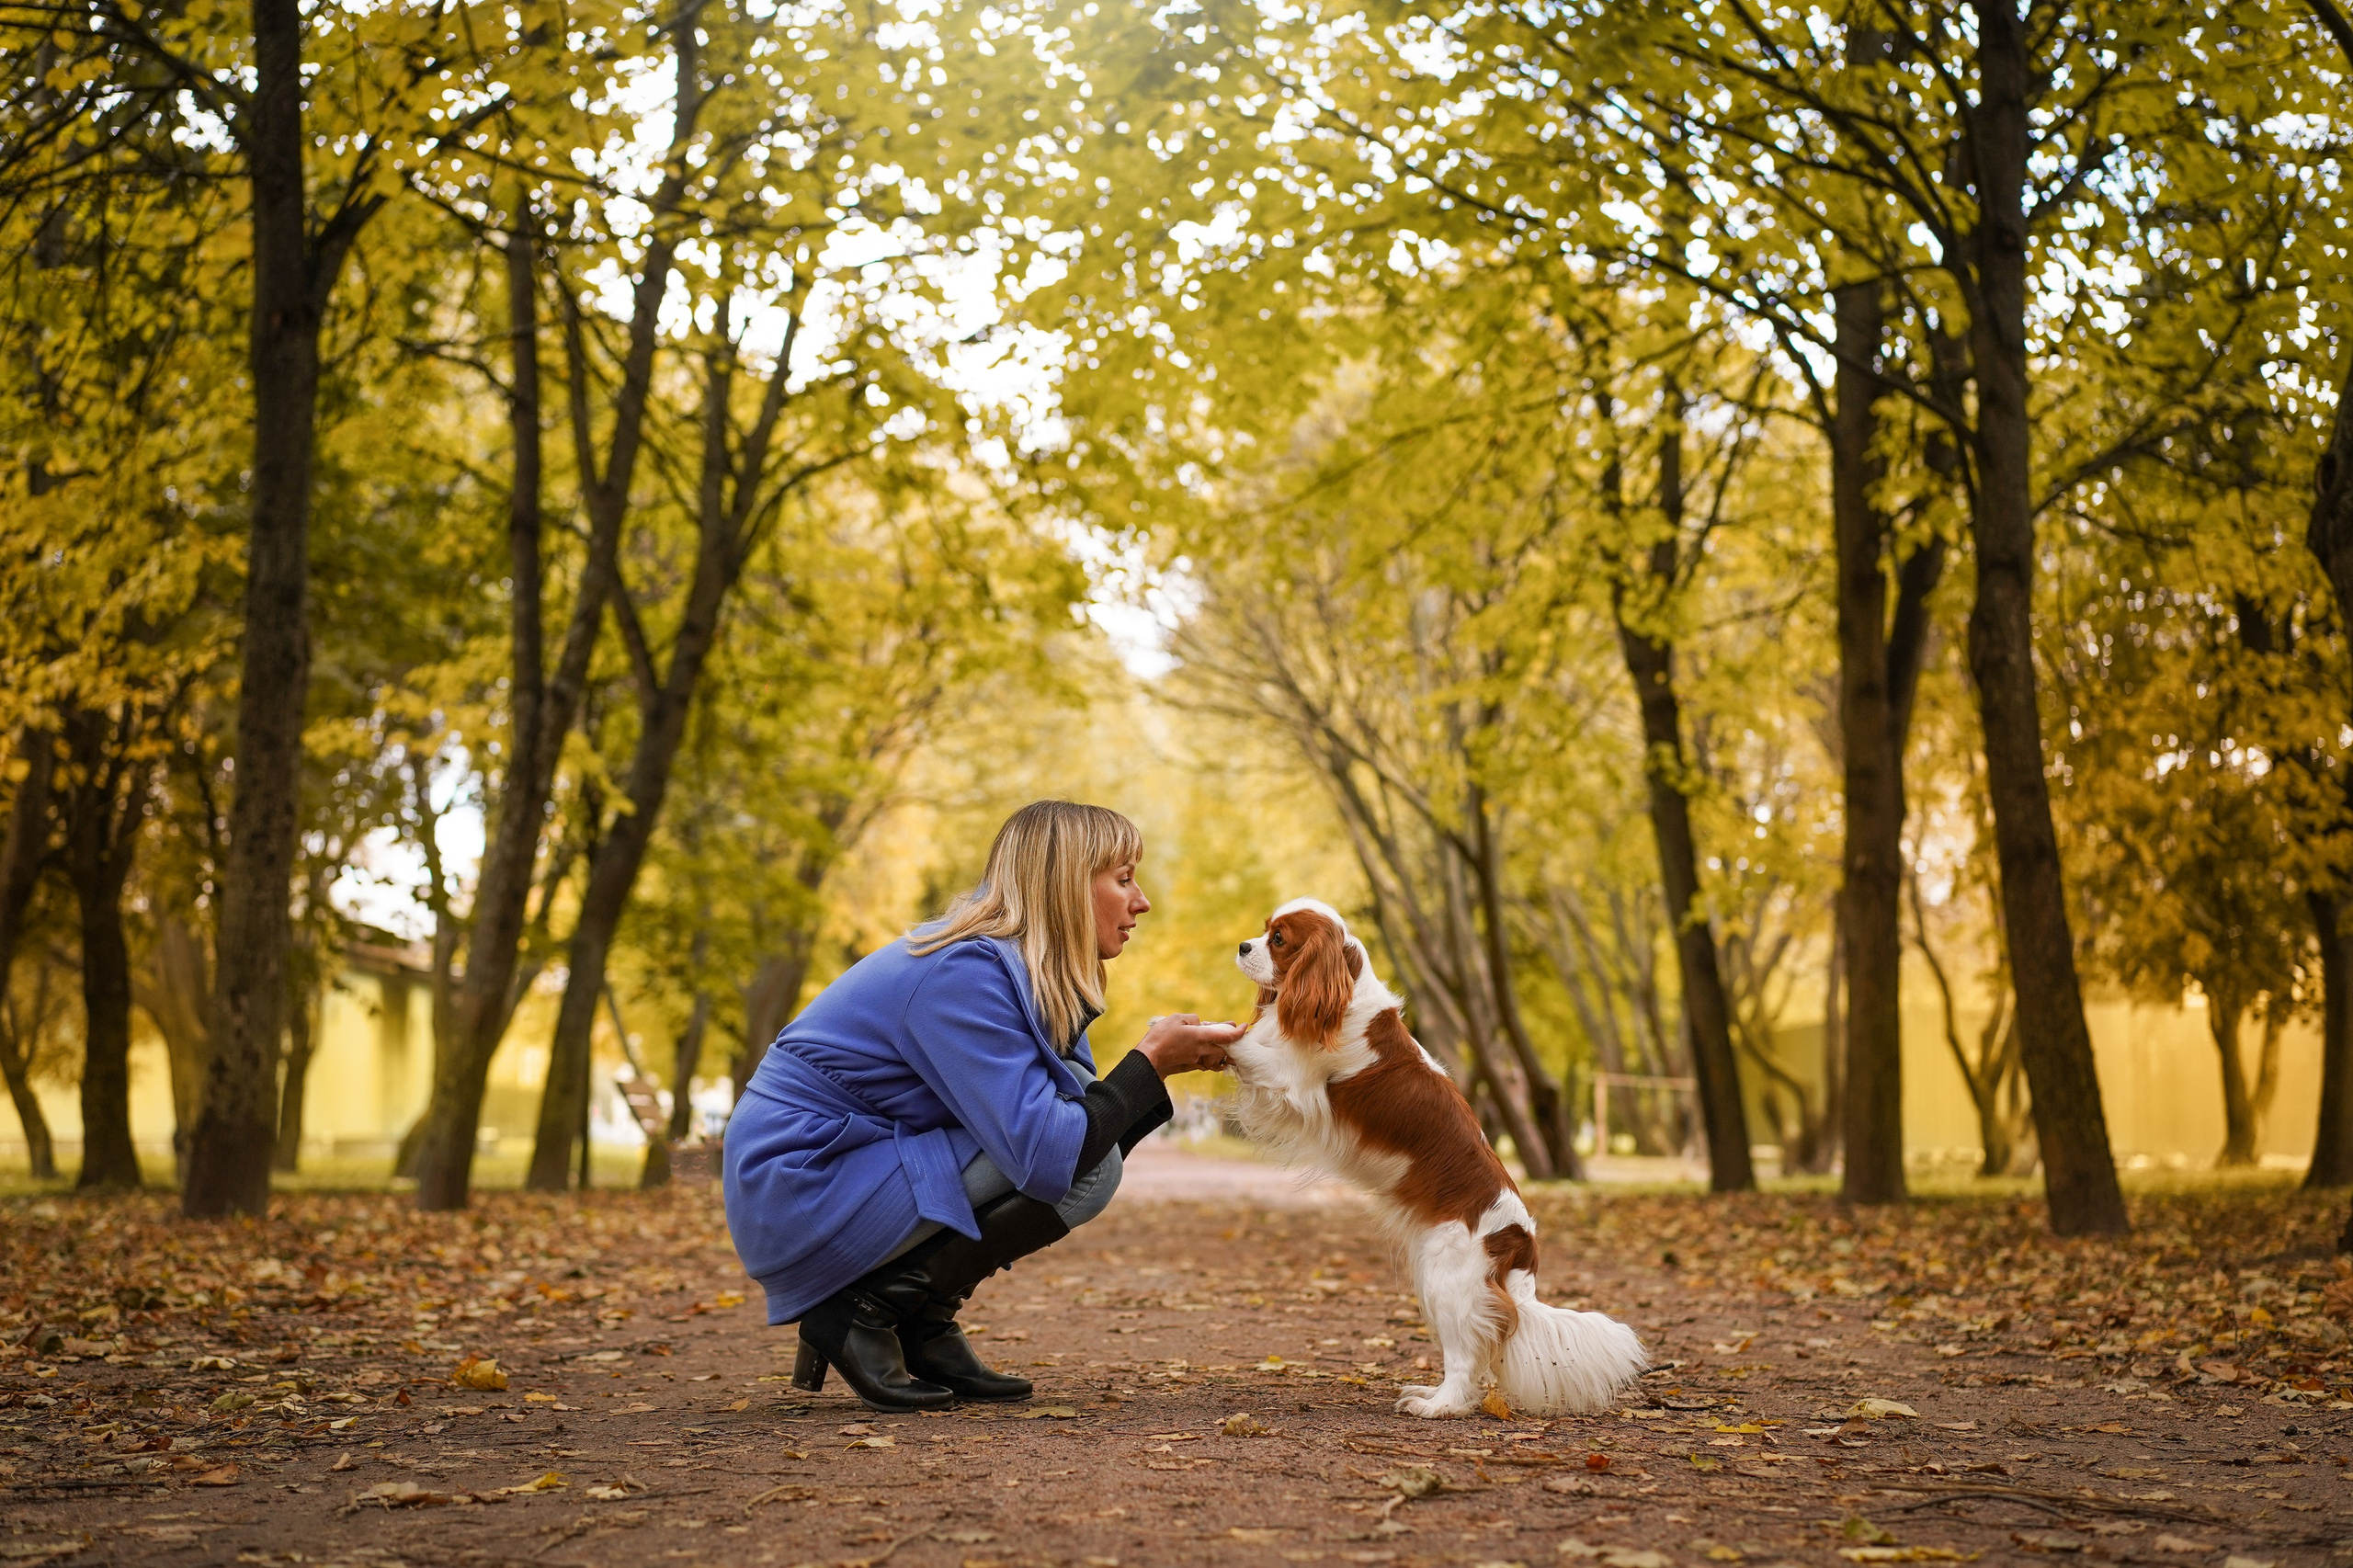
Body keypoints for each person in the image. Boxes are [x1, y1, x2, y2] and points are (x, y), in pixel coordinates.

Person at [722, 801, 1241, 1412]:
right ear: (1066, 886)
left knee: (1088, 1147)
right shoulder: (963, 972)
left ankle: (919, 1316)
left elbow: (1080, 1126)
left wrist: (1156, 1068)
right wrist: (1148, 1063)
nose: (1142, 901)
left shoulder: (1026, 972)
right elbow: (1052, 1153)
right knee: (1080, 1164)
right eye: (1124, 879)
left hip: (857, 1161)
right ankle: (862, 1310)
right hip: (801, 1178)